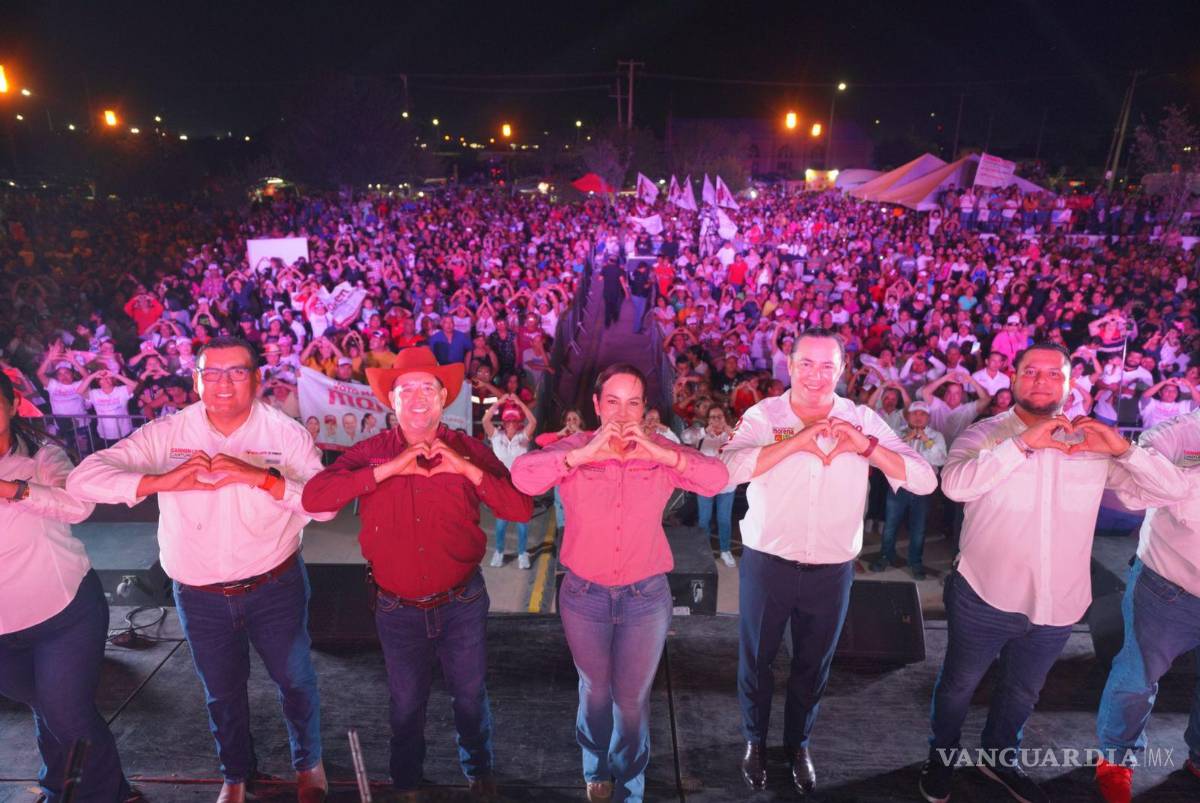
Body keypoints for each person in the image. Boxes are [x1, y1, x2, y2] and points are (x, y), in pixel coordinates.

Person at [67, 337, 334, 803]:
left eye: (236, 372)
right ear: (196, 380)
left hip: (275, 585)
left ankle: (308, 764)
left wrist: (261, 478)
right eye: (211, 373)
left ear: (255, 378)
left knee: (295, 681)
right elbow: (82, 478)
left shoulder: (284, 434)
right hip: (199, 595)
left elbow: (326, 507)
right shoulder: (168, 433)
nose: (224, 383)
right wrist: (159, 480)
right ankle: (235, 773)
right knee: (222, 693)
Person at [918, 343, 1188, 803]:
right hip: (985, 593)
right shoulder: (984, 434)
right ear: (1013, 379)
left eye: (1053, 374)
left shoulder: (1091, 443)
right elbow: (955, 485)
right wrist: (1022, 445)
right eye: (1030, 372)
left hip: (1058, 602)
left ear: (1069, 384)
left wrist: (1122, 448)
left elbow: (1165, 490)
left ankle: (999, 760)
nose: (1041, 381)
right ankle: (941, 756)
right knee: (959, 686)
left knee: (1022, 692)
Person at [300, 346, 532, 798]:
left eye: (429, 387)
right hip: (396, 608)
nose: (418, 397)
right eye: (407, 389)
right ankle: (407, 783)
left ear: (444, 398)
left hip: (461, 602)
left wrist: (466, 470)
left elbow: (520, 508)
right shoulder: (369, 454)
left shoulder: (469, 450)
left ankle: (479, 771)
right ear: (392, 401)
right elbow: (314, 499)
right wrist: (388, 471)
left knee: (469, 697)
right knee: (406, 705)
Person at [720, 329, 936, 795]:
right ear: (790, 365)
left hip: (832, 570)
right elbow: (725, 471)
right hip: (768, 562)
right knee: (756, 661)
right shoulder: (764, 415)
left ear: (842, 370)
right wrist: (796, 442)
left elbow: (924, 481)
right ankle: (754, 741)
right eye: (806, 364)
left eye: (827, 366)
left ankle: (798, 744)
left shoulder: (862, 419)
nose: (816, 376)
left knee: (813, 665)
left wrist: (868, 448)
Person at [510, 363, 728, 803]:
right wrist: (583, 455)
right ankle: (595, 766)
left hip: (644, 598)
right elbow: (522, 475)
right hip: (584, 596)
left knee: (631, 701)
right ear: (596, 405)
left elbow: (717, 479)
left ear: (645, 407)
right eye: (613, 401)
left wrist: (661, 451)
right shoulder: (573, 447)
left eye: (633, 403)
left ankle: (630, 785)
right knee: (594, 691)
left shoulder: (662, 452)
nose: (623, 413)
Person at [0, 373, 136, 803]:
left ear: (11, 405)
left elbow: (79, 505)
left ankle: (104, 794)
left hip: (64, 614)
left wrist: (12, 489)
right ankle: (61, 786)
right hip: (4, 629)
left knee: (68, 714)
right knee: (45, 706)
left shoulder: (43, 457)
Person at [1093, 410, 1200, 803]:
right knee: (1137, 678)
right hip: (1167, 586)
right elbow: (1136, 490)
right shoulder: (1175, 434)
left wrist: (1179, 482)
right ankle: (1115, 761)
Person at [869, 400, 947, 579]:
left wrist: (926, 441)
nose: (919, 417)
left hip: (922, 490)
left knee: (918, 529)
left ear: (928, 417)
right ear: (908, 416)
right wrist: (906, 439)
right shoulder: (897, 433)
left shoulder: (936, 436)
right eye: (915, 413)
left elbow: (940, 460)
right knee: (890, 526)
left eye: (923, 414)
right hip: (899, 486)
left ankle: (915, 562)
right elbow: (887, 453)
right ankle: (885, 556)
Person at [482, 394, 538, 569]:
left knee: (522, 523)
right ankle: (499, 552)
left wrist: (520, 403)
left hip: (520, 485)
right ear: (504, 423)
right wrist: (499, 402)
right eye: (508, 421)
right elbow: (485, 420)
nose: (511, 424)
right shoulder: (496, 436)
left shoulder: (523, 437)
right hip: (502, 486)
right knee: (501, 523)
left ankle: (522, 554)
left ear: (518, 422)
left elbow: (533, 421)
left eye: (514, 421)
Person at [683, 405, 738, 567]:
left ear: (725, 418)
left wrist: (729, 430)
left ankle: (725, 550)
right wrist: (704, 431)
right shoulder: (700, 435)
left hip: (727, 486)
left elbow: (748, 443)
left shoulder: (732, 435)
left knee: (724, 520)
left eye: (719, 417)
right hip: (705, 485)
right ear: (707, 420)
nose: (716, 420)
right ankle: (704, 551)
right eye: (713, 417)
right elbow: (685, 438)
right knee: (704, 519)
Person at [602, 259, 627, 328]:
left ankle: (607, 324)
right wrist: (626, 292)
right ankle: (615, 318)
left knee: (607, 308)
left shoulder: (605, 269)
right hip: (616, 292)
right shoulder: (618, 270)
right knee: (615, 306)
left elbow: (600, 278)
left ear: (609, 262)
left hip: (607, 292)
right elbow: (622, 282)